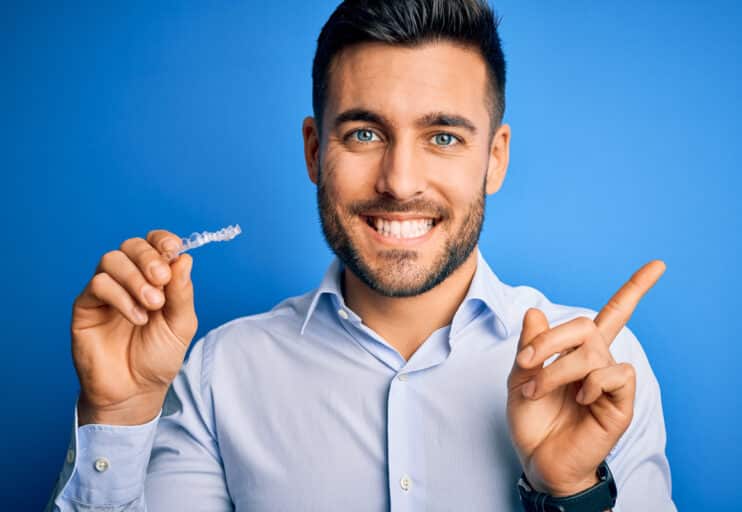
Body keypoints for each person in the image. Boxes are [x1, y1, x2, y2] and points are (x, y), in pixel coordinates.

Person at [45, 0, 676, 510]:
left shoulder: (594, 371)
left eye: (443, 137)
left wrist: (572, 492)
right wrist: (118, 415)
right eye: (365, 133)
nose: (399, 182)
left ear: (495, 159)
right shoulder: (219, 376)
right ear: (314, 151)